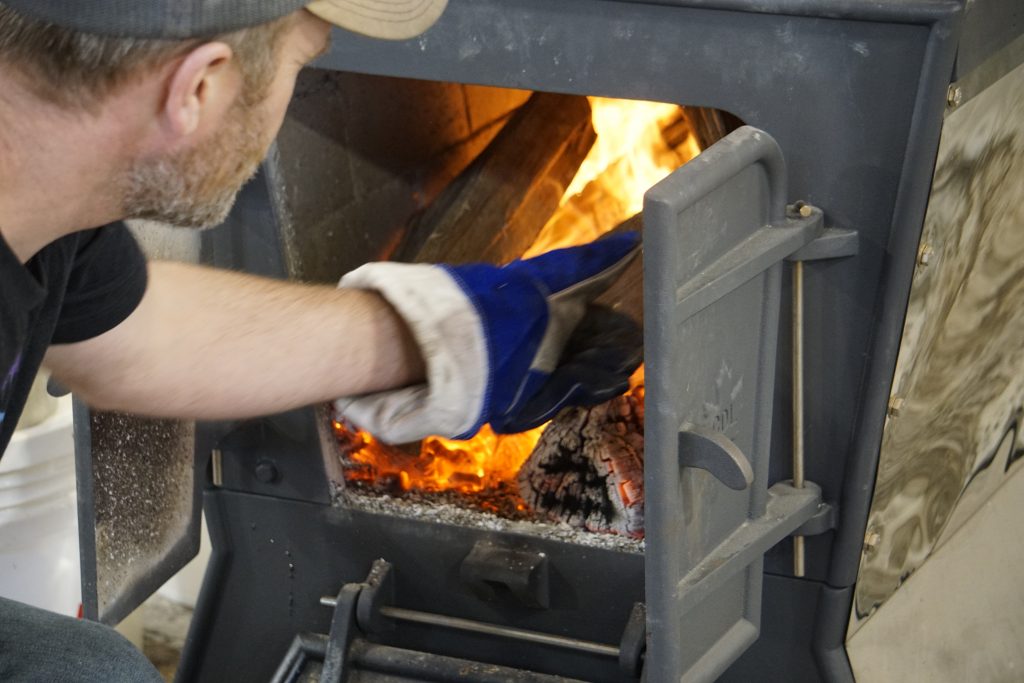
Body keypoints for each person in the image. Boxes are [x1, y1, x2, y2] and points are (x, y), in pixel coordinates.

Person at [0, 0, 639, 679]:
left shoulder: (47, 201)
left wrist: (443, 336)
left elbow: (135, 329)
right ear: (198, 87)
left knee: (92, 664)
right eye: (302, 63)